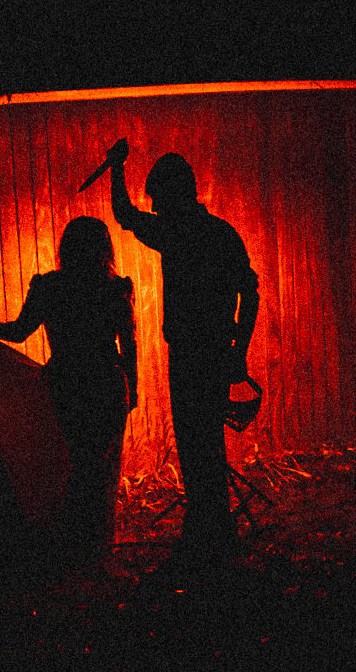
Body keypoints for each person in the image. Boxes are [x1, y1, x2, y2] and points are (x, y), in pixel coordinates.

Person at [102, 138, 260, 558]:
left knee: (196, 442)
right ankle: (213, 527)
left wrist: (116, 167)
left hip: (190, 354)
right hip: (215, 350)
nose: (154, 208)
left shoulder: (176, 234)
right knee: (206, 440)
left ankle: (210, 532)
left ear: (172, 195)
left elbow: (124, 215)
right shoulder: (222, 234)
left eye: (157, 199)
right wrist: (238, 349)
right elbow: (251, 292)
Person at [0, 216, 138, 564]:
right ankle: (92, 544)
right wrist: (134, 385)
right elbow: (128, 342)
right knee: (99, 465)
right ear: (104, 250)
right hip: (105, 381)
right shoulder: (114, 288)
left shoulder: (51, 287)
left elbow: (19, 330)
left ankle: (78, 545)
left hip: (67, 382)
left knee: (82, 462)